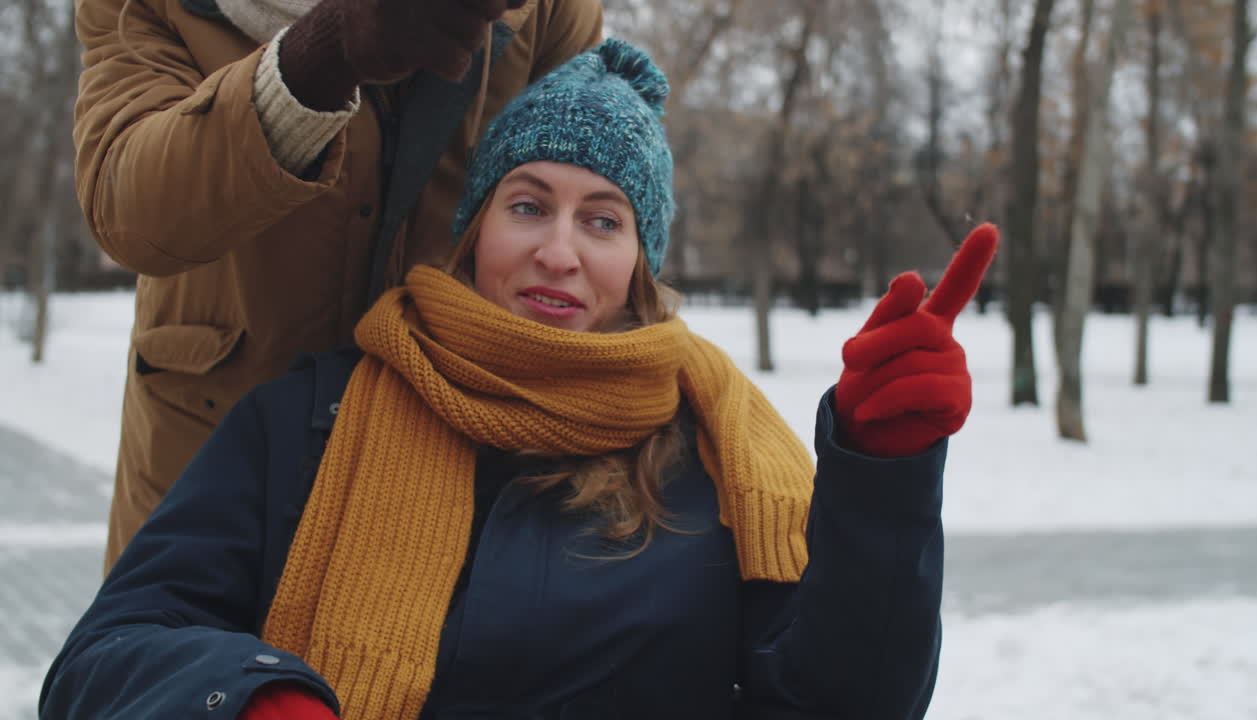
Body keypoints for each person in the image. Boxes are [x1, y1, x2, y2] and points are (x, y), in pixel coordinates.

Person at [43, 39, 998, 719]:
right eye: (529, 205)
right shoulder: (309, 416)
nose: (558, 253)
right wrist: (255, 697)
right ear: (474, 231)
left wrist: (883, 477)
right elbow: (108, 653)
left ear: (641, 262)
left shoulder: (715, 451)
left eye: (603, 220)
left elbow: (844, 699)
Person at [76, 0, 605, 571]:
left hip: (446, 482)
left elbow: (593, 199)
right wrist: (320, 58)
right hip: (208, 476)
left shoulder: (549, 9)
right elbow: (128, 211)